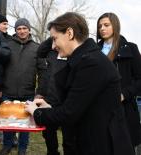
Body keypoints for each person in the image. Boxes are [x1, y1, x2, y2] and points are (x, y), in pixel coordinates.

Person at [25, 12, 134, 155]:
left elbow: (69, 113)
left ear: (69, 33)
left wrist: (36, 112)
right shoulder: (83, 60)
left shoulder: (91, 63)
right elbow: (79, 105)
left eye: (55, 39)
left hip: (102, 146)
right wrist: (49, 107)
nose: (53, 46)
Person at [0, 18, 47, 155]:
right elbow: (0, 68)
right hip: (8, 90)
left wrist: (40, 92)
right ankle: (7, 145)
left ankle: (22, 149)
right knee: (7, 122)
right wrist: (0, 89)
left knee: (26, 124)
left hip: (28, 92)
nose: (22, 31)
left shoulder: (37, 48)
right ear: (15, 30)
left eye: (24, 28)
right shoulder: (7, 45)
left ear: (29, 29)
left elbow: (43, 71)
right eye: (19, 29)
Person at [97, 12, 141, 151]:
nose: (102, 28)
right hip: (99, 109)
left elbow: (139, 79)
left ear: (115, 26)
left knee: (123, 148)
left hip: (124, 109)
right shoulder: (94, 50)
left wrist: (124, 94)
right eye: (100, 26)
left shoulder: (130, 48)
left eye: (106, 25)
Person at [36, 37, 76, 155]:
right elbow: (40, 51)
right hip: (49, 99)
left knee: (68, 137)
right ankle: (52, 152)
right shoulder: (52, 52)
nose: (54, 45)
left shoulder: (72, 53)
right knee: (48, 134)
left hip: (66, 100)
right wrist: (54, 37)